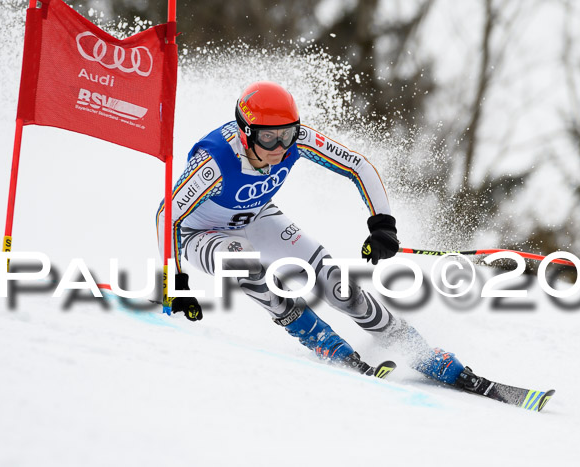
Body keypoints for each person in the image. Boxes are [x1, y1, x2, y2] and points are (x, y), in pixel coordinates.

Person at [156, 80, 485, 391]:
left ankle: (418, 350)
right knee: (245, 262)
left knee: (335, 283)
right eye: (269, 138)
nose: (280, 147)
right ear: (245, 133)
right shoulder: (214, 163)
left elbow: (358, 165)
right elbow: (166, 216)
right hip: (198, 232)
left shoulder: (297, 142)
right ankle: (323, 341)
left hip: (255, 215)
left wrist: (382, 224)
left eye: (287, 135)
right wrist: (176, 285)